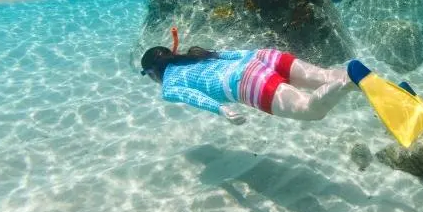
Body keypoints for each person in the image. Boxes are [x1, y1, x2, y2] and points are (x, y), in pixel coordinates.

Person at [140, 45, 352, 124]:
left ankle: (347, 84)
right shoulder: (191, 56)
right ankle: (354, 76)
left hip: (247, 83)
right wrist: (257, 56)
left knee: (310, 110)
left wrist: (222, 109)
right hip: (262, 55)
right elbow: (229, 54)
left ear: (152, 73)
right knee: (326, 76)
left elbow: (193, 97)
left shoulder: (169, 86)